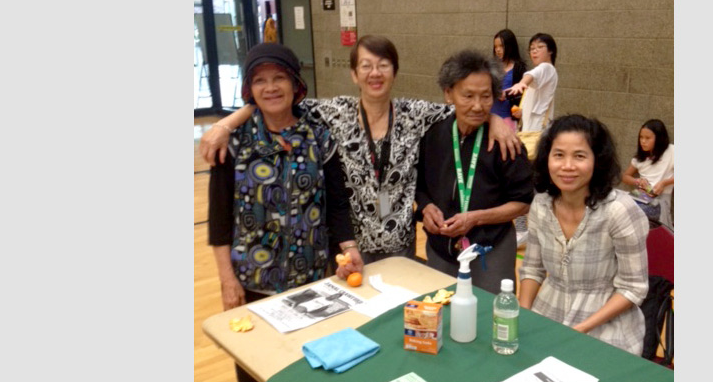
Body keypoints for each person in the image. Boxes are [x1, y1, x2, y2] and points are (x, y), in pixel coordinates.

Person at [202, 36, 522, 277]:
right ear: (355, 74)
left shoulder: (416, 114)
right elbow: (276, 98)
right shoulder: (334, 111)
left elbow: (466, 109)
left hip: (400, 243)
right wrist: (225, 124)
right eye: (366, 66)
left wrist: (497, 119)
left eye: (383, 65)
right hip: (349, 245)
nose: (375, 73)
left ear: (394, 72)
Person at [206, 43, 359, 382]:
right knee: (256, 369)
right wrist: (228, 281)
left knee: (304, 369)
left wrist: (350, 248)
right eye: (260, 81)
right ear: (249, 90)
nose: (271, 87)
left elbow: (336, 205)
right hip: (252, 281)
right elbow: (218, 221)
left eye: (279, 78)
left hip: (311, 279)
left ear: (295, 85)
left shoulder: (319, 136)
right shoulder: (232, 143)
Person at [518, 114, 650, 355]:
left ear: (597, 161)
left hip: (606, 329)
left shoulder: (619, 211)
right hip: (547, 315)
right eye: (558, 155)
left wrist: (580, 330)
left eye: (579, 156)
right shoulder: (540, 205)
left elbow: (633, 288)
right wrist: (525, 315)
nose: (567, 166)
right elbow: (532, 269)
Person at [416, 49, 534, 294]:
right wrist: (426, 207)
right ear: (449, 94)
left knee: (488, 316)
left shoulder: (506, 144)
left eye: (486, 96)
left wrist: (476, 218)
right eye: (468, 96)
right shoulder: (432, 134)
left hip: (490, 251)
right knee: (439, 313)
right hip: (440, 247)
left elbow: (523, 202)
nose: (478, 106)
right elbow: (418, 185)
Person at [621, 119, 674, 227]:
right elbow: (625, 177)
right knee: (616, 205)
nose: (643, 141)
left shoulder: (671, 151)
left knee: (629, 213)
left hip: (659, 201)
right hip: (641, 195)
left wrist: (664, 183)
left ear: (659, 138)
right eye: (641, 137)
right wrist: (638, 181)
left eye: (647, 138)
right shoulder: (640, 157)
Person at [504, 33, 558, 133]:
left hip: (537, 131)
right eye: (532, 48)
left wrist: (520, 83)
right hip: (530, 129)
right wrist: (522, 113)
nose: (534, 51)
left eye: (540, 47)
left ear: (551, 51)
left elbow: (531, 75)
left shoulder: (547, 68)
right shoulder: (543, 72)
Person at [490, 29, 527, 127]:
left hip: (509, 116)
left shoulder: (518, 68)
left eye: (501, 46)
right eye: (495, 46)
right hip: (491, 115)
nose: (497, 50)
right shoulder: (491, 66)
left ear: (510, 47)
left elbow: (524, 94)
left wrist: (521, 110)